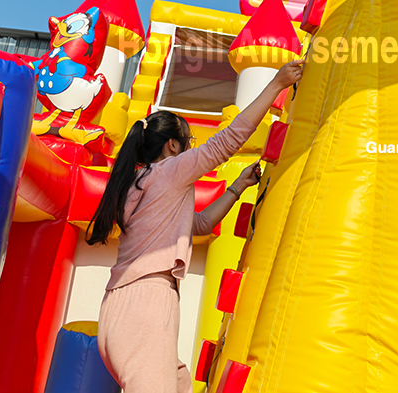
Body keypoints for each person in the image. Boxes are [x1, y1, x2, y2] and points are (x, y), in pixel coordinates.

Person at [87, 59, 305, 393]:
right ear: (171, 145)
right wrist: (276, 84)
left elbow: (199, 224)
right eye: (188, 142)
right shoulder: (169, 172)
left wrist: (236, 188)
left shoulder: (137, 183)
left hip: (119, 308)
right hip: (147, 303)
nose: (190, 148)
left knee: (177, 383)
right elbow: (226, 141)